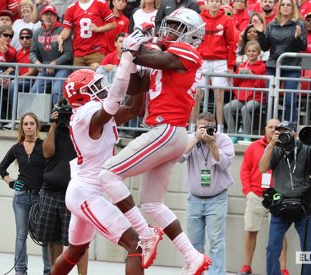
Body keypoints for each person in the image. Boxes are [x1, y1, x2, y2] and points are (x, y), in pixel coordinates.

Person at [98, 8, 212, 275]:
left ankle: (145, 233)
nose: (170, 30)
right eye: (169, 24)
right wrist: (132, 56)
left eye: (178, 27)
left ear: (193, 35)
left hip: (167, 129)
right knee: (151, 203)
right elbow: (136, 86)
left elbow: (152, 56)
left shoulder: (188, 52)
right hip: (171, 132)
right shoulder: (166, 58)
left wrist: (137, 45)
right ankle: (192, 255)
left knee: (108, 174)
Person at [51, 52, 148, 274]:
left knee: (75, 252)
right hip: (87, 193)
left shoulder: (96, 115)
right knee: (137, 243)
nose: (102, 89)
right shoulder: (87, 114)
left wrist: (140, 77)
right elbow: (113, 105)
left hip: (86, 189)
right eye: (95, 87)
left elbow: (133, 109)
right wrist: (125, 64)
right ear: (81, 96)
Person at [259, 121, 311, 275]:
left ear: (295, 133)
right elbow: (262, 168)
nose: (282, 135)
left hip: (304, 203)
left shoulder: (306, 149)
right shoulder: (275, 149)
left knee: (310, 248)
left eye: (286, 132)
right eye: (279, 132)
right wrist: (271, 145)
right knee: (272, 248)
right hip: (280, 203)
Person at [179, 112, 234, 275]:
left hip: (217, 199)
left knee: (216, 242)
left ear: (215, 127)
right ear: (196, 127)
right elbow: (179, 158)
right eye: (201, 127)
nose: (205, 131)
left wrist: (212, 144)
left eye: (209, 128)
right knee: (194, 242)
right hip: (194, 199)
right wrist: (195, 138)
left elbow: (225, 164)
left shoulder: (223, 139)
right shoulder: (190, 138)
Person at [36, 109, 89, 274]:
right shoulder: (56, 131)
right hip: (50, 192)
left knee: (79, 240)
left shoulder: (84, 131)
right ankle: (55, 271)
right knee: (52, 237)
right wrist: (53, 125)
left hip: (74, 194)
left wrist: (74, 126)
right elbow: (47, 152)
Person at [0, 112, 50, 275]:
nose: (28, 127)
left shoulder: (44, 145)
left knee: (44, 236)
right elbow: (1, 168)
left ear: (37, 126)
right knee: (21, 235)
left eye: (31, 124)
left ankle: (49, 270)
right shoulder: (17, 148)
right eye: (25, 124)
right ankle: (20, 270)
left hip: (41, 196)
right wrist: (10, 182)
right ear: (22, 127)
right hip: (21, 197)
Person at [239, 118, 289, 275]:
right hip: (256, 195)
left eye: (276, 127)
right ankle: (247, 266)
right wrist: (248, 192)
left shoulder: (285, 147)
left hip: (277, 196)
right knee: (251, 230)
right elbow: (244, 170)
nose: (273, 130)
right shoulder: (254, 147)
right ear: (265, 129)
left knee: (279, 233)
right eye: (270, 127)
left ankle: (283, 268)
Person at [256, 0, 307, 122]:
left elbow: (303, 46)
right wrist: (260, 32)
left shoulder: (298, 24)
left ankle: (290, 128)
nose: (285, 7)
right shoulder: (272, 24)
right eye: (283, 4)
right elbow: (265, 47)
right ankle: (271, 128)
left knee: (289, 101)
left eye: (288, 5)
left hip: (292, 67)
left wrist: (297, 38)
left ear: (292, 8)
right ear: (279, 8)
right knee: (270, 100)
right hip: (273, 66)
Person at [195, 0, 235, 134]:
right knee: (197, 95)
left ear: (220, 3)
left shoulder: (226, 20)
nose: (214, 4)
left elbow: (231, 44)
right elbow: (194, 40)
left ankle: (220, 129)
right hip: (202, 60)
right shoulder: (199, 19)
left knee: (219, 96)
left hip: (220, 61)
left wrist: (230, 65)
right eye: (212, 1)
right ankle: (192, 126)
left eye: (217, 1)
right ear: (207, 2)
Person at [30, 5, 72, 105]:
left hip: (62, 67)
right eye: (46, 15)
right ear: (41, 17)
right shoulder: (37, 33)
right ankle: (36, 117)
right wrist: (36, 62)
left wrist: (55, 63)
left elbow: (69, 53)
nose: (48, 17)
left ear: (56, 17)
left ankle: (56, 118)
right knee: (35, 91)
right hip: (45, 67)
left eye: (51, 15)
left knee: (57, 91)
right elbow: (32, 52)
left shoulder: (62, 31)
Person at [224, 40, 266, 138]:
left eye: (254, 51)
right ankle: (232, 134)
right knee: (227, 108)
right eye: (249, 51)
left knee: (245, 109)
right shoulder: (242, 66)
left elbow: (263, 85)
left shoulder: (262, 66)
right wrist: (237, 76)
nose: (251, 53)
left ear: (258, 52)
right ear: (246, 52)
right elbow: (235, 84)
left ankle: (246, 136)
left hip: (256, 98)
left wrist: (252, 75)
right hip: (241, 97)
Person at [57, 0, 116, 69]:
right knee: (77, 78)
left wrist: (98, 29)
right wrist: (61, 37)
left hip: (96, 50)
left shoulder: (100, 3)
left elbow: (113, 24)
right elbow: (67, 30)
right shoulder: (71, 8)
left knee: (96, 77)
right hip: (78, 52)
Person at [1, 28, 38, 130]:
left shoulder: (34, 52)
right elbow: (12, 67)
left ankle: (14, 119)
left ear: (32, 39)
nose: (25, 39)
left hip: (30, 82)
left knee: (13, 85)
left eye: (27, 37)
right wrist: (5, 75)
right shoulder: (18, 52)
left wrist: (15, 79)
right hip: (19, 80)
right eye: (22, 38)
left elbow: (32, 72)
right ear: (19, 40)